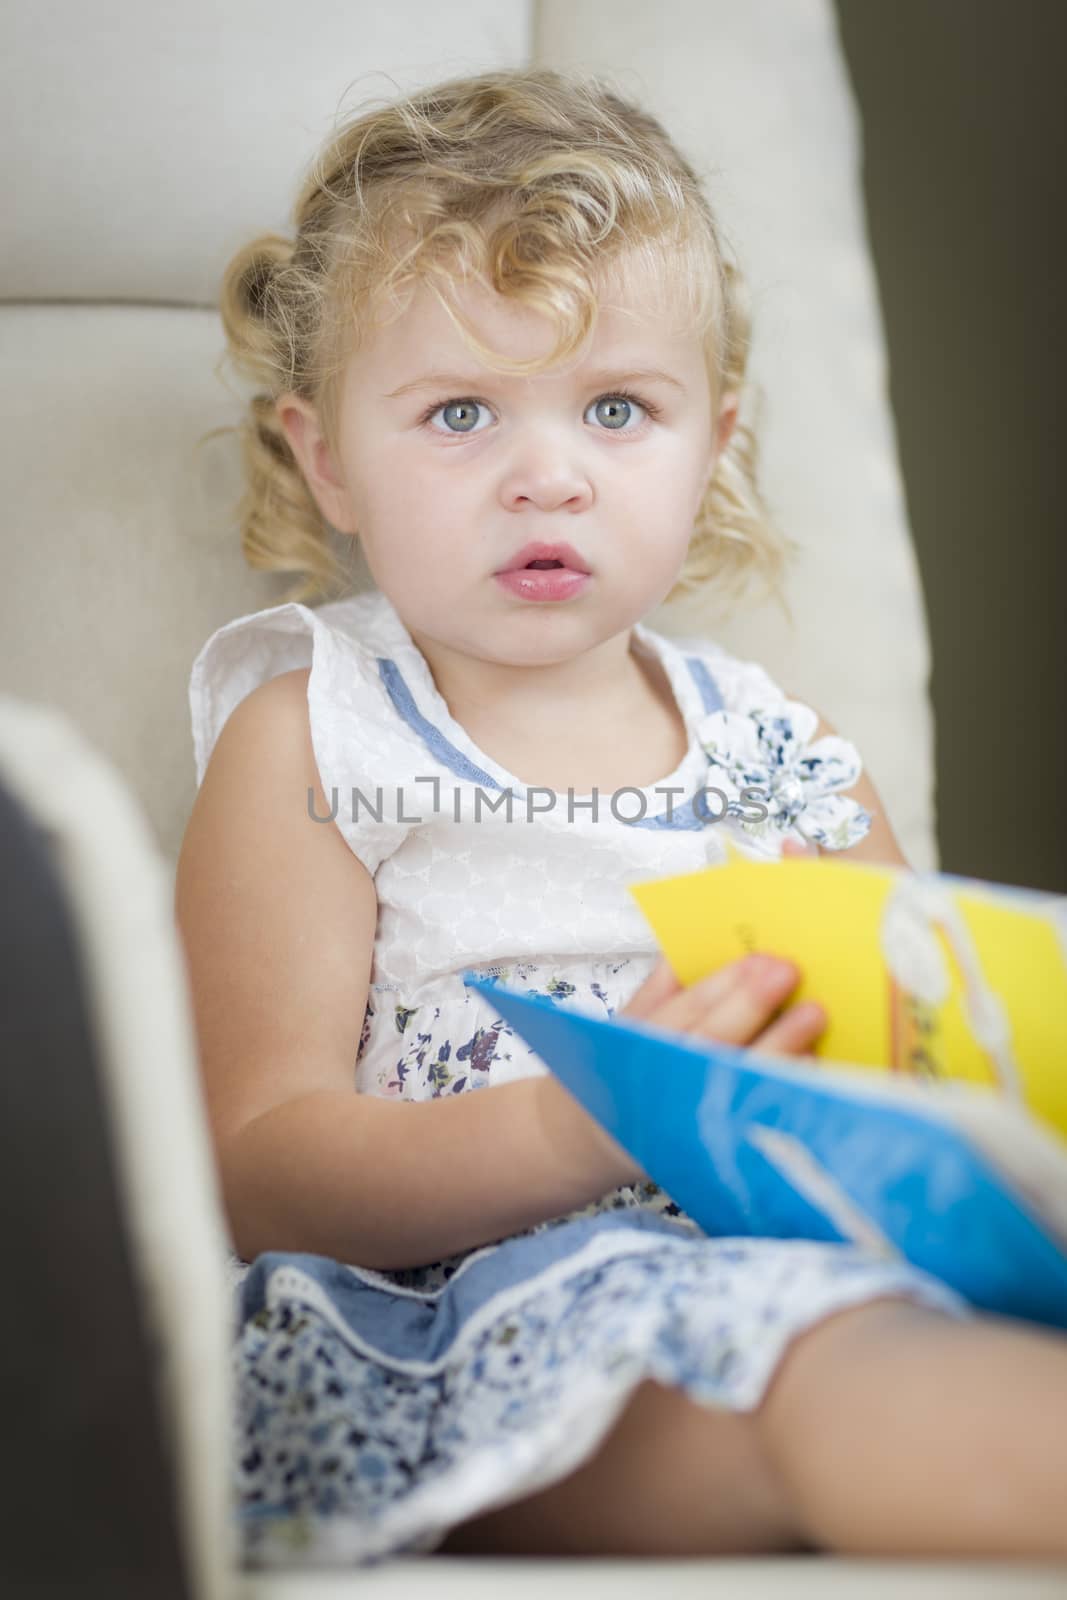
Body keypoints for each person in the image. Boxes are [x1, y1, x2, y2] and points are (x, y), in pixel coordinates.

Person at [175, 67, 1067, 1569]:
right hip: (456, 1327)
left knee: (901, 1308)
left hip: (795, 1257)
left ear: (712, 442)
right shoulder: (313, 734)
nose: (547, 476)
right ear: (325, 457)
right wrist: (570, 1124)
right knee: (821, 1362)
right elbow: (257, 1170)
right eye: (460, 411)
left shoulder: (784, 757)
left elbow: (930, 1063)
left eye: (616, 409)